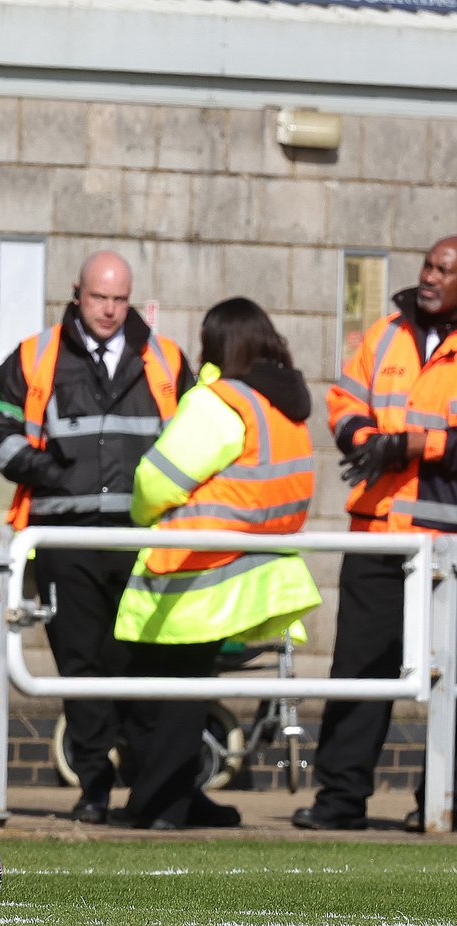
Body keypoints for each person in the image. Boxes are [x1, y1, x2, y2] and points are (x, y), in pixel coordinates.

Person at [0, 250, 194, 825]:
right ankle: (95, 785)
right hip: (63, 537)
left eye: (120, 299)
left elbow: (194, 440)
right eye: (100, 298)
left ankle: (147, 791)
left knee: (139, 665)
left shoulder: (167, 359)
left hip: (143, 538)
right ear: (77, 293)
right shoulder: (35, 356)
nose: (109, 309)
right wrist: (48, 471)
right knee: (81, 665)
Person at [113, 297, 320, 828]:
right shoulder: (281, 404)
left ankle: (160, 805)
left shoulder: (220, 401)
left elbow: (155, 480)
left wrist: (143, 512)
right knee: (185, 687)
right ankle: (180, 795)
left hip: (195, 570)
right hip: (252, 567)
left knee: (161, 691)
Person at [293, 235, 457, 833]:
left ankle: (441, 799)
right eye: (428, 266)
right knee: (359, 669)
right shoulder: (385, 333)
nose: (431, 277)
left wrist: (416, 444)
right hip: (378, 533)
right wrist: (366, 439)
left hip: (447, 544)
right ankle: (340, 799)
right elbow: (343, 401)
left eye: (444, 270)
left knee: (453, 677)